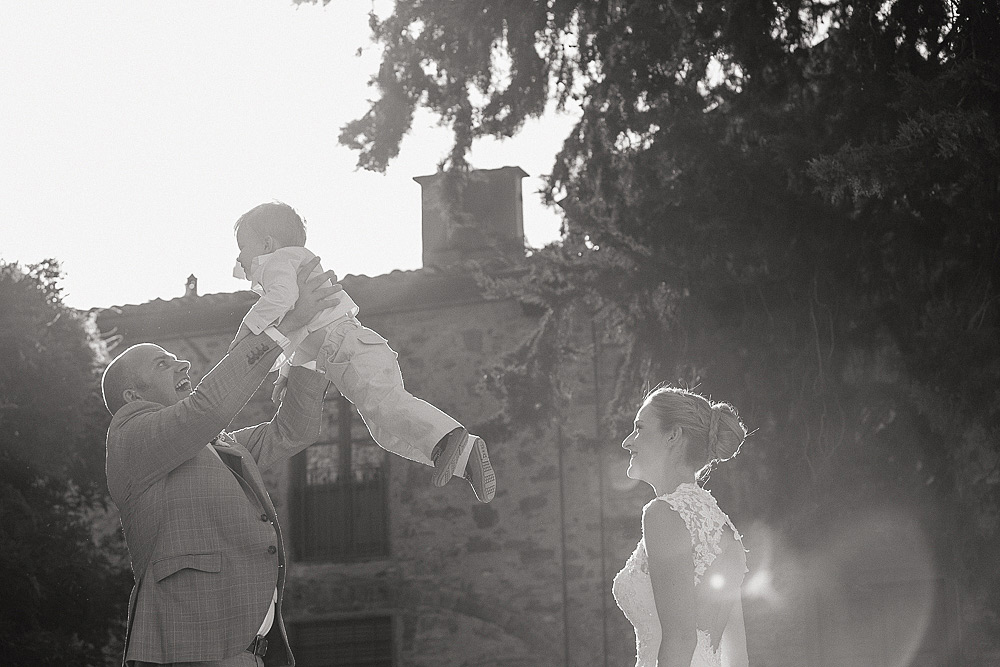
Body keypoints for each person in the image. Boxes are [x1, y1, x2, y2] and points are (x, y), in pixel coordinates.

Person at [103, 257, 341, 667]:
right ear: (132, 397)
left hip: (248, 654)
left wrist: (307, 348)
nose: (183, 363)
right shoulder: (131, 438)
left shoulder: (216, 444)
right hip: (189, 649)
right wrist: (280, 329)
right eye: (163, 363)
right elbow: (205, 408)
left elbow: (292, 431)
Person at [229, 201, 496, 503]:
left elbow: (280, 301)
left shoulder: (279, 262)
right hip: (348, 352)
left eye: (242, 245)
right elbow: (306, 330)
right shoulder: (293, 266)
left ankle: (448, 436)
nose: (238, 256)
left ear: (267, 243)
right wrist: (288, 371)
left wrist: (247, 332)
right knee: (386, 431)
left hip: (350, 348)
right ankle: (463, 457)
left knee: (387, 405)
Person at [612, 387, 751, 667]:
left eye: (639, 428)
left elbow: (680, 641)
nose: (628, 442)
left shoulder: (663, 513)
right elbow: (737, 655)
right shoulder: (724, 527)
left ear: (673, 436)